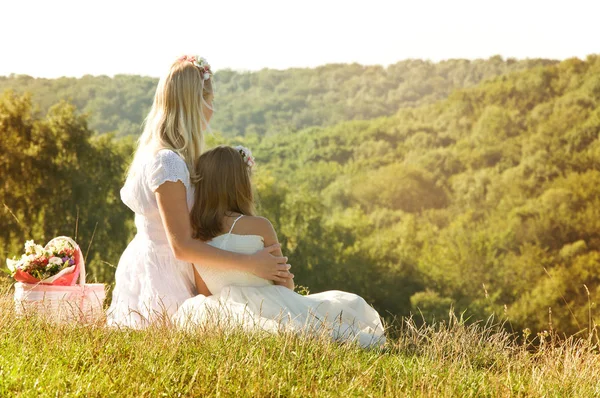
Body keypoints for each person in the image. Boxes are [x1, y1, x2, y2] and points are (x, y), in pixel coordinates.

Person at [106, 56, 292, 328]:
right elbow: (181, 246)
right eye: (211, 101)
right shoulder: (167, 161)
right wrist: (251, 264)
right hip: (166, 275)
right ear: (195, 104)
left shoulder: (157, 154)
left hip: (152, 264)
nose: (212, 111)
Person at [173, 146, 386, 348]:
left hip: (225, 310)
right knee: (346, 309)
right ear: (240, 185)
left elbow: (203, 291)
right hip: (271, 303)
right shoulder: (259, 226)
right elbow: (285, 284)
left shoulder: (196, 239)